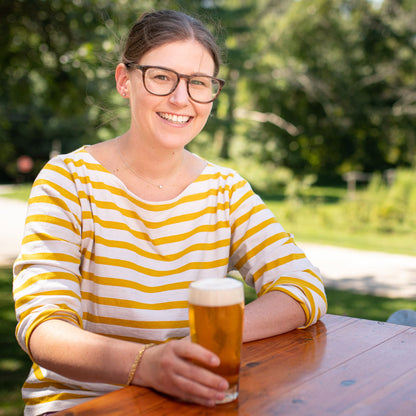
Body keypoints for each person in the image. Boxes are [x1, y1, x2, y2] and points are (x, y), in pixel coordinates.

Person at [13, 9, 327, 416]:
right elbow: (44, 330)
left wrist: (204, 342)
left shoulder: (225, 190)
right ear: (125, 81)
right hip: (81, 404)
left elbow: (303, 287)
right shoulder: (68, 181)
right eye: (162, 77)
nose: (182, 99)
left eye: (199, 83)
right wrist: (146, 364)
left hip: (185, 400)